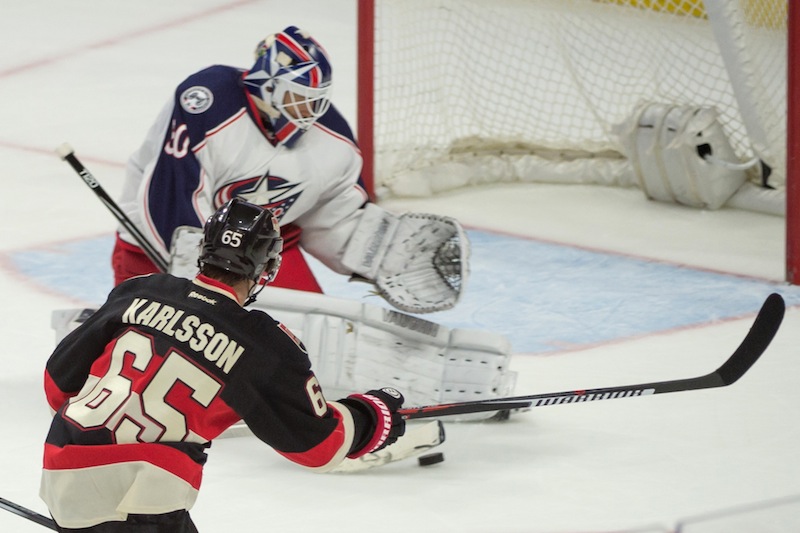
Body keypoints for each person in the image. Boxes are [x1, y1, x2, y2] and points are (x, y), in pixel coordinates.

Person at [41, 198, 406, 532]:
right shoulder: (264, 345)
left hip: (60, 468)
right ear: (268, 267)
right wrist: (375, 413)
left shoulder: (140, 290)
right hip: (138, 494)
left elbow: (57, 387)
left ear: (205, 248)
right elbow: (320, 446)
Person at [113, 25, 468, 315]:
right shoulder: (209, 102)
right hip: (157, 250)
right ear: (266, 84)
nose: (309, 112)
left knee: (303, 345)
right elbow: (171, 206)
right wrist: (214, 288)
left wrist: (378, 249)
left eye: (316, 100)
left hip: (261, 255)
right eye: (298, 97)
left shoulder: (334, 141)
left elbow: (332, 216)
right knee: (151, 354)